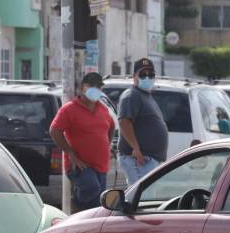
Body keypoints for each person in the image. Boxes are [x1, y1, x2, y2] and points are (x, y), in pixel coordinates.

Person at [49, 72, 114, 211]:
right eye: (92, 85)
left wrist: (108, 145)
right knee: (92, 188)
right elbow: (55, 130)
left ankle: (85, 223)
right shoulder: (70, 108)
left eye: (99, 86)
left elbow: (111, 126)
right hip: (80, 165)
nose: (96, 89)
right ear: (83, 87)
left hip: (101, 165)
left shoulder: (102, 108)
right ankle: (76, 203)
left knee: (98, 205)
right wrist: (70, 154)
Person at [117, 57, 168, 185]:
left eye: (150, 74)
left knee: (144, 198)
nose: (147, 77)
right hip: (139, 159)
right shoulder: (131, 95)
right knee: (141, 198)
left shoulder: (145, 95)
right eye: (143, 74)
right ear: (134, 76)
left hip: (147, 160)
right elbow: (124, 121)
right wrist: (136, 148)